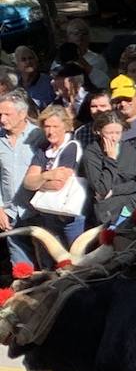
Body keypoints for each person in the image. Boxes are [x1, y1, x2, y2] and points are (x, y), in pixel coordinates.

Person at [21, 105, 84, 258]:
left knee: (75, 259)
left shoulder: (71, 147)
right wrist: (47, 175)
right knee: (52, 260)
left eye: (55, 126)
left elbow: (58, 184)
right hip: (48, 214)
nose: (51, 131)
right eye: (47, 126)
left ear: (66, 127)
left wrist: (39, 180)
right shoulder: (43, 151)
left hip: (69, 216)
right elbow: (27, 183)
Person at [0, 92, 41, 268]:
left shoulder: (40, 136)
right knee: (21, 268)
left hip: (38, 212)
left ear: (23, 114)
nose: (2, 119)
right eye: (0, 114)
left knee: (46, 264)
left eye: (7, 114)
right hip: (10, 212)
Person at [80, 110, 136, 226]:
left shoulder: (128, 150)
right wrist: (110, 159)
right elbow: (101, 188)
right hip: (107, 212)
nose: (114, 138)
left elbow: (133, 184)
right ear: (99, 132)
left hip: (129, 205)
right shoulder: (92, 153)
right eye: (109, 133)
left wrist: (114, 190)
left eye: (118, 133)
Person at [64, 18, 109, 88]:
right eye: (76, 33)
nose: (80, 36)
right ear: (68, 37)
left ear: (89, 37)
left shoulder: (98, 60)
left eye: (84, 33)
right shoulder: (60, 59)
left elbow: (103, 83)